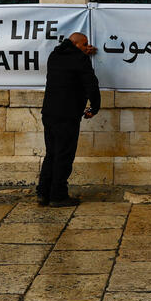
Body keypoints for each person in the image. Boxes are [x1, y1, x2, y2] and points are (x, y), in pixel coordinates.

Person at [37, 32, 100, 207]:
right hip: (67, 115)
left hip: (49, 113)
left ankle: (43, 193)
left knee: (52, 153)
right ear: (77, 44)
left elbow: (69, 69)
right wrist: (94, 107)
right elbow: (91, 85)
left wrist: (82, 53)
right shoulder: (80, 60)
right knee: (64, 155)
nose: (88, 47)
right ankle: (58, 196)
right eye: (85, 44)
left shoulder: (55, 55)